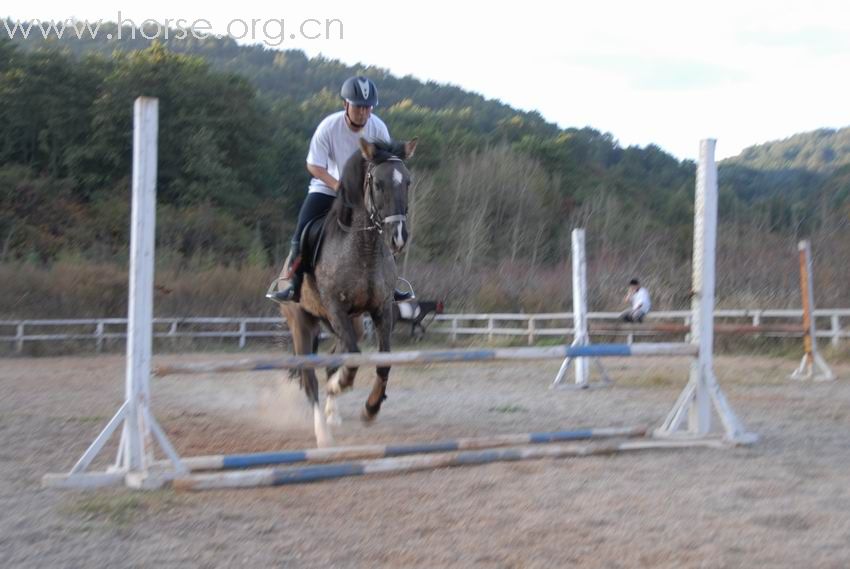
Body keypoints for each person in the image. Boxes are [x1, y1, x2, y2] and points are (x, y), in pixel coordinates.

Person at [267, 76, 414, 304]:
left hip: (366, 191)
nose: (364, 113)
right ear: (346, 104)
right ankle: (293, 284)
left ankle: (390, 285)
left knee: (386, 225)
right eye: (358, 107)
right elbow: (313, 165)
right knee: (303, 229)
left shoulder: (378, 127)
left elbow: (385, 165)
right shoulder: (329, 126)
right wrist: (338, 186)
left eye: (368, 107)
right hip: (327, 188)